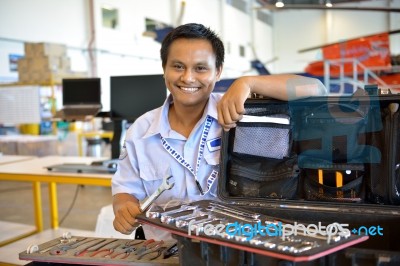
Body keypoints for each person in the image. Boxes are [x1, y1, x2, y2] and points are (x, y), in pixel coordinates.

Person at [112, 23, 327, 237]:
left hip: (231, 251)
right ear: (164, 69)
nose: (187, 77)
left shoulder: (240, 112)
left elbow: (316, 89)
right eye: (178, 66)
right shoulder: (140, 132)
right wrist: (124, 208)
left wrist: (248, 82)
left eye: (200, 68)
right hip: (162, 251)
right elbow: (125, 191)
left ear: (218, 72)